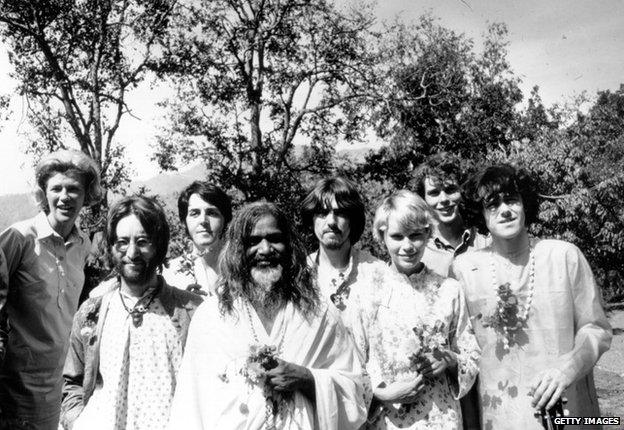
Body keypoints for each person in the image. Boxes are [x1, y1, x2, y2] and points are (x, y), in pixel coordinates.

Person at [168, 202, 370, 429]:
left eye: (274, 239)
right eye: (253, 241)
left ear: (290, 246)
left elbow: (356, 390)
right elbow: (190, 406)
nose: (265, 249)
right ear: (237, 250)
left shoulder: (320, 313)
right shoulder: (211, 317)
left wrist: (307, 379)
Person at [451, 164, 612, 429]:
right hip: (500, 416)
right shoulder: (465, 269)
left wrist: (568, 367)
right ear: (480, 214)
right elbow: (463, 351)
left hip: (568, 410)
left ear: (525, 204)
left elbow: (596, 328)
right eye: (492, 205)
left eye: (512, 199)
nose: (505, 210)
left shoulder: (563, 256)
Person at [61, 196, 202, 430]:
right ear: (112, 247)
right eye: (122, 242)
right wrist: (78, 422)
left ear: (158, 245)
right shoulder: (90, 313)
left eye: (143, 241)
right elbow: (72, 383)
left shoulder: (191, 311)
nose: (132, 252)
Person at [347, 190, 479, 429]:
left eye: (415, 235)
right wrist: (380, 393)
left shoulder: (449, 290)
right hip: (387, 419)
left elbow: (470, 353)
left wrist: (449, 360)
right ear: (381, 236)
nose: (407, 246)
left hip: (442, 417)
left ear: (428, 233)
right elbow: (352, 362)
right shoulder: (365, 292)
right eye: (397, 237)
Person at [0, 150, 101, 430]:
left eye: (74, 189)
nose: (65, 197)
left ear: (86, 195)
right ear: (44, 193)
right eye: (56, 188)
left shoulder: (83, 245)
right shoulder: (18, 239)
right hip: (16, 391)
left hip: (60, 387)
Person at [301, 177, 383, 313]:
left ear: (353, 220)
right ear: (312, 220)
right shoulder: (300, 275)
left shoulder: (376, 273)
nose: (331, 221)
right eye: (322, 213)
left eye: (341, 213)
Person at [411, 153, 489, 277]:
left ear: (462, 192)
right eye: (434, 193)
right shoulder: (418, 252)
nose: (444, 199)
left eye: (450, 190)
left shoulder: (486, 241)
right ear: (423, 199)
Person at [162, 181, 232, 296]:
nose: (203, 220)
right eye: (195, 213)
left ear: (225, 220)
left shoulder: (241, 269)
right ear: (184, 222)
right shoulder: (170, 275)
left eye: (212, 213)